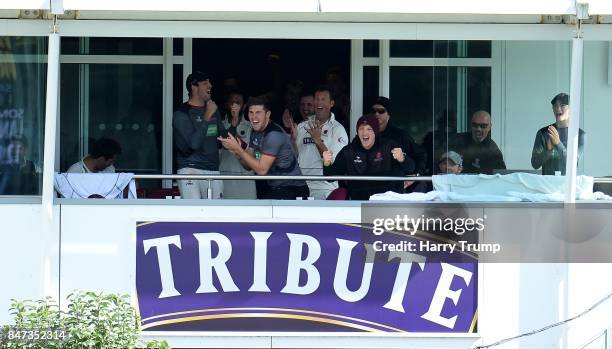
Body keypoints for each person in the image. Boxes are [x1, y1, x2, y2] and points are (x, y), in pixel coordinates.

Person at [218, 96, 309, 200]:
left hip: (293, 189)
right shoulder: (255, 131)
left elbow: (261, 170)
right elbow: (249, 166)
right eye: (251, 112)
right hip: (276, 188)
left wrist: (239, 150)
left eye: (258, 113)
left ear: (267, 114)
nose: (254, 117)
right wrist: (235, 150)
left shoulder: (273, 134)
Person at [322, 114, 414, 200]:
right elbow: (330, 178)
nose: (364, 132)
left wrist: (402, 158)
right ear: (357, 132)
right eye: (361, 129)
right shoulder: (349, 151)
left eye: (369, 129)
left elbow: (411, 169)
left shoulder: (388, 146)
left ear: (375, 132)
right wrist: (326, 162)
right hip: (359, 204)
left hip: (387, 202)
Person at [173, 71, 227, 199]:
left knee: (215, 214)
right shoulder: (181, 113)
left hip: (213, 169)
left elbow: (224, 139)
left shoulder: (213, 110)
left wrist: (234, 122)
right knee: (193, 213)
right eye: (205, 83)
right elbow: (193, 144)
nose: (210, 86)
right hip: (191, 169)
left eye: (210, 82)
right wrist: (207, 116)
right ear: (194, 86)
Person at [290, 86, 348, 199]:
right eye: (316, 99)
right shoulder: (302, 126)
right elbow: (294, 157)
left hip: (325, 188)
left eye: (323, 99)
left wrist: (318, 141)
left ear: (331, 103)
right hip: (301, 185)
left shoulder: (338, 129)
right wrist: (292, 140)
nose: (319, 103)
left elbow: (333, 163)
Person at [370, 96, 427, 192]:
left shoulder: (400, 135)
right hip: (370, 188)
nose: (376, 114)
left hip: (394, 191)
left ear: (389, 115)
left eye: (381, 111)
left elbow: (421, 155)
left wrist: (416, 175)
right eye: (373, 111)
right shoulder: (364, 135)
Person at [531, 93, 586, 175]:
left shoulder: (579, 135)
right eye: (555, 106)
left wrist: (558, 143)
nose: (558, 109)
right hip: (547, 185)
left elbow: (573, 162)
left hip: (568, 185)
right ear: (552, 109)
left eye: (562, 105)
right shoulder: (543, 133)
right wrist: (548, 151)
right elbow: (535, 164)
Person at [219, 90, 256, 199]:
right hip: (224, 177)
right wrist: (234, 121)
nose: (234, 105)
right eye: (232, 102)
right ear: (227, 104)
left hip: (246, 178)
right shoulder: (220, 124)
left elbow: (256, 154)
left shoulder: (252, 126)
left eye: (238, 103)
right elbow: (224, 144)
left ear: (244, 106)